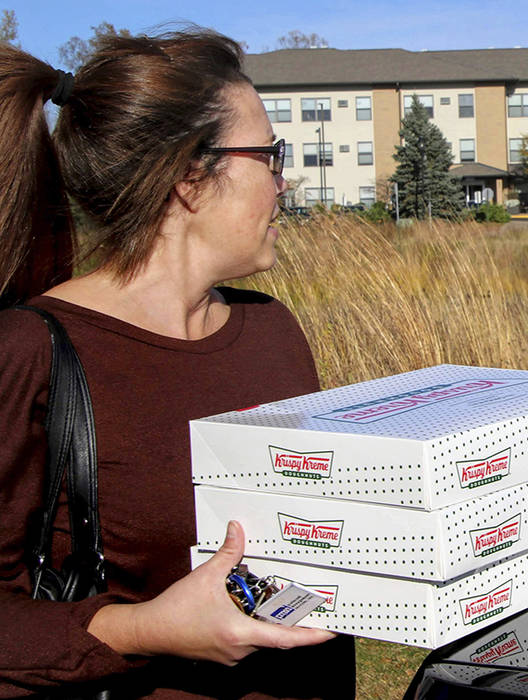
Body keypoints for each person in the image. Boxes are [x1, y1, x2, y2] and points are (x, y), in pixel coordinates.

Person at [0, 30, 356, 697]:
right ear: (190, 176)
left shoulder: (272, 328)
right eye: (269, 156)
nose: (285, 182)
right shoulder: (30, 352)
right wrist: (143, 630)